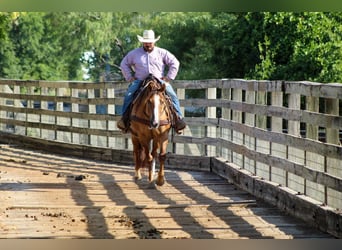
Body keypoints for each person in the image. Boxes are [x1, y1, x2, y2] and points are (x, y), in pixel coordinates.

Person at [117, 29, 186, 133]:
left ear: (154, 42)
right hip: (140, 80)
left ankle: (178, 119)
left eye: (150, 42)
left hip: (159, 81)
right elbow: (124, 64)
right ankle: (124, 120)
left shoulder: (162, 52)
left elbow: (175, 63)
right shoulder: (134, 53)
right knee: (129, 95)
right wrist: (130, 77)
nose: (148, 44)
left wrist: (168, 78)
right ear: (142, 42)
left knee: (173, 96)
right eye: (146, 42)